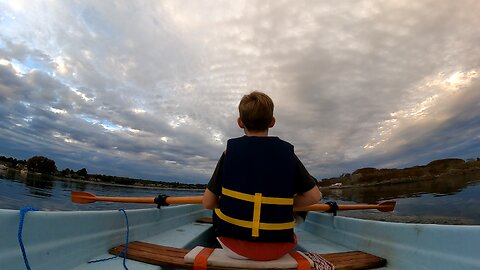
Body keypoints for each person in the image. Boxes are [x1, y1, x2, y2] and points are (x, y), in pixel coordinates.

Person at [202, 91, 322, 261]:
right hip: (278, 250)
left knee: (220, 198)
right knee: (311, 183)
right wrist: (285, 205)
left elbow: (207, 202)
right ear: (272, 122)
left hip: (232, 248)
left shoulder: (229, 153)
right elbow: (314, 196)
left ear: (239, 122)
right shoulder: (287, 154)